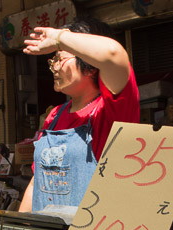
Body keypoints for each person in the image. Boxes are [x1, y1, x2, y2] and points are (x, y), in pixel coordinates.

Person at [18, 16, 140, 213]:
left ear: (90, 66)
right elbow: (36, 183)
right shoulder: (55, 115)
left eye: (60, 59)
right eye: (53, 61)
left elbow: (113, 53)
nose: (55, 68)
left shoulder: (111, 111)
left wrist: (59, 37)